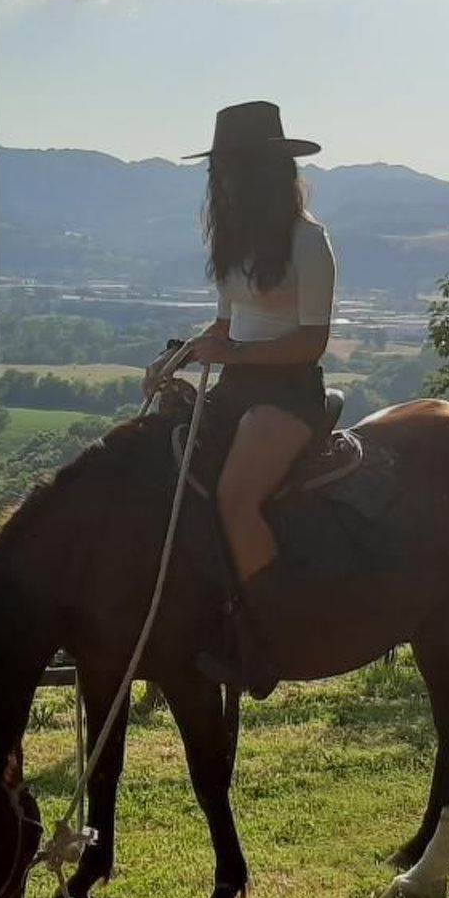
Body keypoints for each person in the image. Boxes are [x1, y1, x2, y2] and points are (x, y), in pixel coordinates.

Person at [149, 101, 336, 697]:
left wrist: (230, 357)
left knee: (234, 498)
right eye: (219, 169)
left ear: (264, 172)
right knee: (171, 475)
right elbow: (226, 326)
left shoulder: (308, 242)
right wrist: (173, 361)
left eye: (232, 168)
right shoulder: (236, 245)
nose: (223, 180)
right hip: (239, 389)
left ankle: (267, 633)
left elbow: (310, 344)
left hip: (287, 395)